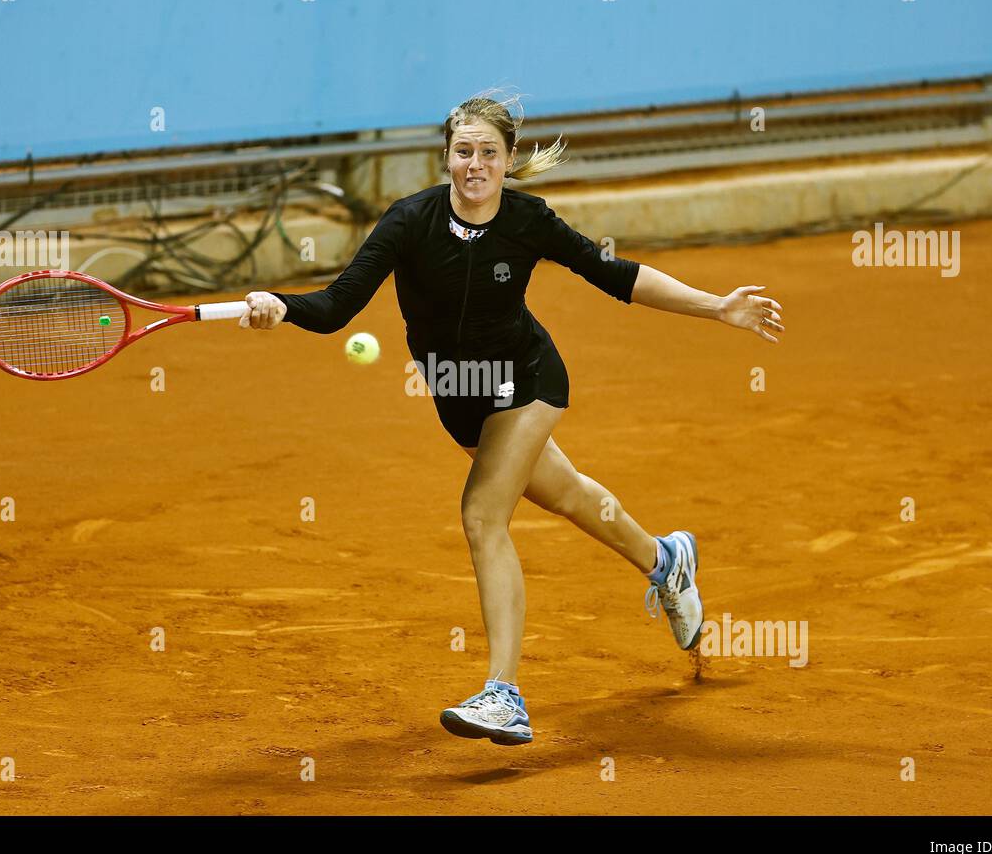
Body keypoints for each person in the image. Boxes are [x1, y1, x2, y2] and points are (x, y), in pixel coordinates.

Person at [235, 90, 784, 745]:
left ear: (509, 158)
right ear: (446, 157)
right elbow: (336, 307)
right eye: (464, 151)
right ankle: (666, 561)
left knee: (482, 514)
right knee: (568, 494)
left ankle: (504, 693)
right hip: (458, 396)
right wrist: (281, 306)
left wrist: (717, 306)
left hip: (527, 380)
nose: (475, 165)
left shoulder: (529, 220)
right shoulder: (408, 222)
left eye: (488, 153)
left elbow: (619, 276)